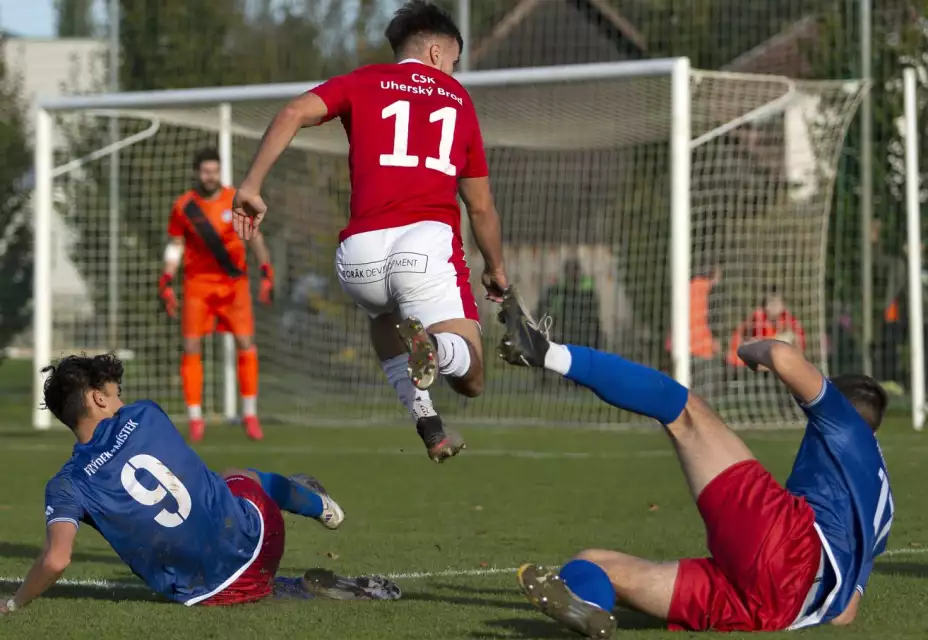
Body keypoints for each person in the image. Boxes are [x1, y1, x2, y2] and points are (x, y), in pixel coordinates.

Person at [497, 288, 893, 636]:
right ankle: (591, 609)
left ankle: (547, 352)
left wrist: (749, 351)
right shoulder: (884, 507)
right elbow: (845, 614)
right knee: (593, 565)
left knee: (683, 412)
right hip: (777, 611)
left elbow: (783, 356)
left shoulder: (845, 423)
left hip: (790, 550)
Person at [230, 1, 508, 463]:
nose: (454, 70)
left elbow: (293, 112)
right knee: (472, 375)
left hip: (359, 257)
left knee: (385, 317)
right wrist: (496, 268)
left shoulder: (364, 80)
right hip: (424, 244)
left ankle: (429, 423)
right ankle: (436, 349)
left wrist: (252, 185)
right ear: (438, 52)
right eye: (455, 61)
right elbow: (480, 206)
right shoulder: (458, 100)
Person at [0, 354, 400, 613]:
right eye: (114, 393)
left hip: (205, 596)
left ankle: (281, 587)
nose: (121, 399)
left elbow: (56, 560)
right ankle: (319, 506)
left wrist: (16, 603)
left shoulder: (65, 485)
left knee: (215, 549)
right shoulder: (146, 414)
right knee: (237, 479)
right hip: (262, 536)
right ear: (98, 400)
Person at [159, 148, 275, 442]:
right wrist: (167, 277)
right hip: (197, 285)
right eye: (205, 171)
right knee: (191, 346)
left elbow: (254, 236)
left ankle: (250, 414)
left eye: (214, 170)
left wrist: (265, 268)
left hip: (234, 286)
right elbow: (175, 243)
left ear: (220, 171)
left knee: (246, 343)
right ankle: (196, 418)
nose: (210, 176)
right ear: (196, 172)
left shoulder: (236, 199)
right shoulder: (184, 206)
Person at [726, 286, 806, 368]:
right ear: (765, 306)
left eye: (777, 303)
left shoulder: (790, 322)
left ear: (783, 305)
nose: (773, 307)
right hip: (743, 364)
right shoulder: (757, 318)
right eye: (771, 303)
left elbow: (800, 348)